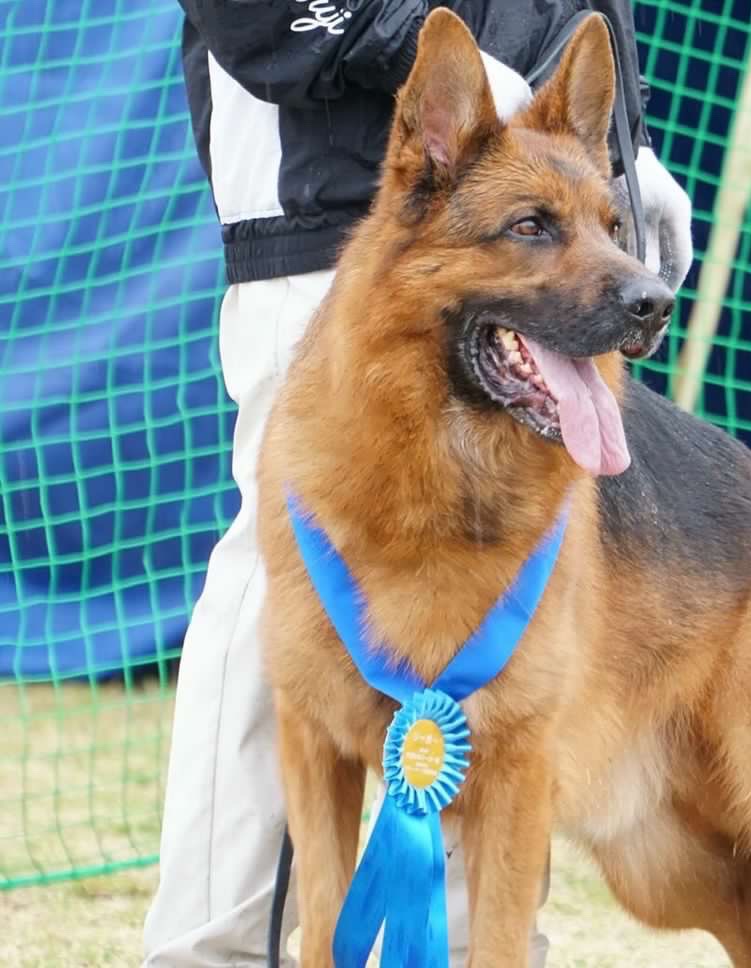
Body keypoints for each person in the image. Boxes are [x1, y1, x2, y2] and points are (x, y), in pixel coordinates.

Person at [143, 2, 694, 965]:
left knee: (510, 640)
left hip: (546, 189)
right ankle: (219, 952)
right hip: (325, 213)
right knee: (287, 609)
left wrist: (621, 150)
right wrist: (421, 51)